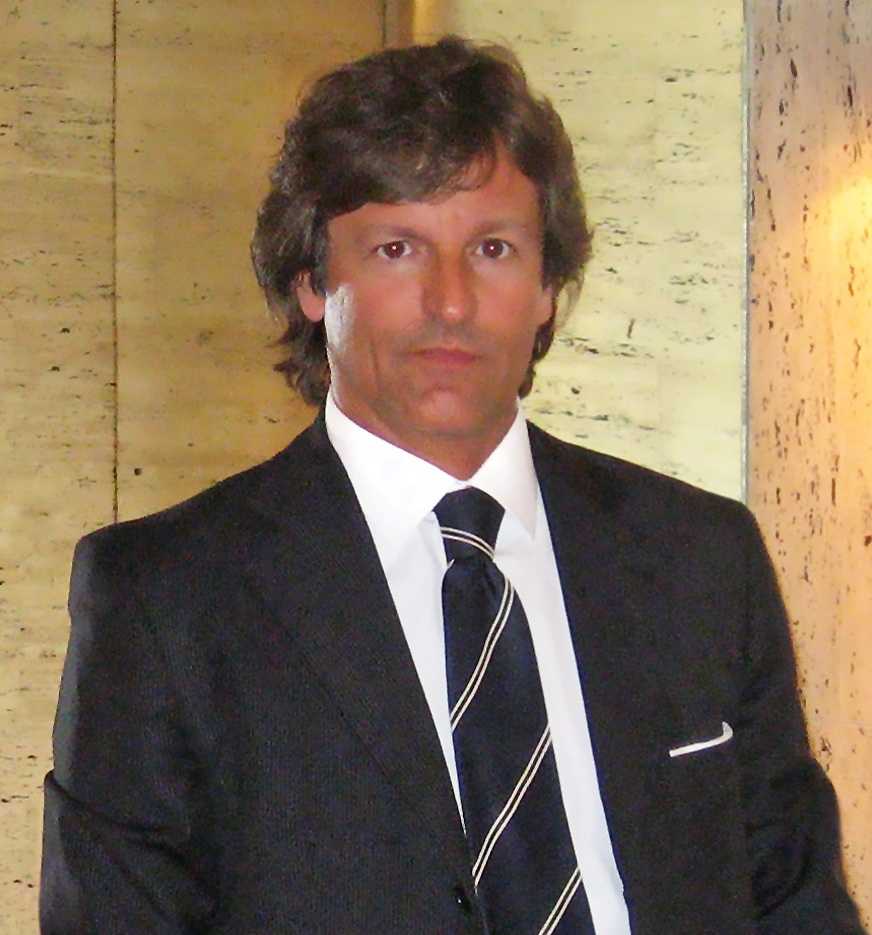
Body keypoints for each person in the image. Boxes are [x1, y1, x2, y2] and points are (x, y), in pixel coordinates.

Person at [40, 36, 864, 934]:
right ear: (313, 281)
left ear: (547, 285)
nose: (451, 302)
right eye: (397, 248)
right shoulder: (166, 599)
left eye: (493, 248)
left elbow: (797, 900)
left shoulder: (700, 556)